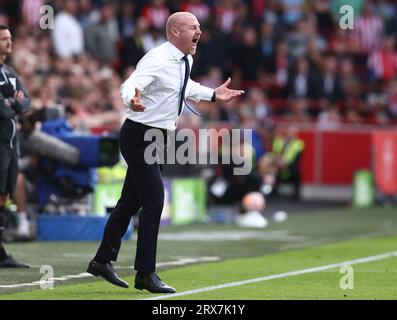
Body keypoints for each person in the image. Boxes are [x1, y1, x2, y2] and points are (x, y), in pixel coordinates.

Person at [87, 11, 244, 293]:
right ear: (174, 32)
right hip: (140, 135)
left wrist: (213, 94)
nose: (199, 31)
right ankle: (145, 273)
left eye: (199, 26)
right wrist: (131, 99)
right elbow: (129, 85)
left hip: (156, 137)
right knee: (155, 200)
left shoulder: (185, 59)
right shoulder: (158, 58)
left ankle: (102, 260)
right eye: (193, 27)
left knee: (129, 203)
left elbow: (184, 87)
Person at [0, 25, 31, 268]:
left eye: (10, 38)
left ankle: (0, 251)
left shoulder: (10, 72)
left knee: (4, 195)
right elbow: (4, 109)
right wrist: (13, 105)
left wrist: (15, 104)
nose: (9, 42)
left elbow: (26, 100)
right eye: (4, 39)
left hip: (11, 146)